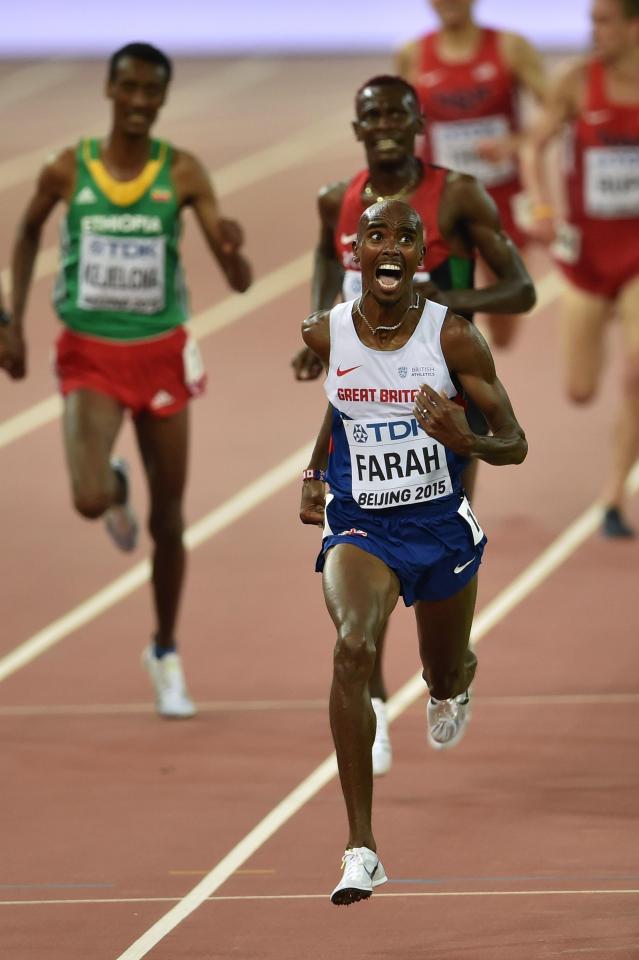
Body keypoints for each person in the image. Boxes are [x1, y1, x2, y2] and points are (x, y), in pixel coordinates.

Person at [293, 74, 535, 776]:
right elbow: (322, 257)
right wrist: (320, 323)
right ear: (357, 128)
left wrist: (439, 298)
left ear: (419, 122)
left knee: (430, 565)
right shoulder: (333, 201)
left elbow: (521, 288)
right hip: (362, 382)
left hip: (438, 400)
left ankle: (447, 675)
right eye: (374, 116)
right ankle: (367, 702)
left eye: (401, 114)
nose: (388, 127)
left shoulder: (456, 194)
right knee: (357, 584)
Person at [0, 42, 251, 716]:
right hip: (89, 353)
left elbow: (237, 280)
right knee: (87, 498)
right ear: (110, 89)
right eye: (130, 88)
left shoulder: (184, 172)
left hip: (161, 354)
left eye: (152, 92)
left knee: (168, 520)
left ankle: (164, 651)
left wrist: (233, 253)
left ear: (163, 98)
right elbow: (25, 235)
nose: (140, 102)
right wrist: (11, 318)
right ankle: (111, 485)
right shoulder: (67, 167)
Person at [301, 199, 527, 905]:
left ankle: (451, 682)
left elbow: (513, 442)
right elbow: (342, 406)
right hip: (361, 525)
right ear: (357, 254)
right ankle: (360, 848)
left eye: (405, 235)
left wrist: (466, 444)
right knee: (352, 647)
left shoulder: (453, 339)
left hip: (437, 529)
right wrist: (315, 472)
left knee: (442, 666)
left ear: (420, 253)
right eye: (375, 235)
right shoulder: (325, 332)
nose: (390, 246)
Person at [522, 0, 639, 538]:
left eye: (605, 21)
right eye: (591, 21)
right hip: (587, 257)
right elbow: (534, 147)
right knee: (580, 388)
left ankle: (613, 495)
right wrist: (542, 207)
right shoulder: (575, 82)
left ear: (634, 25)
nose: (594, 31)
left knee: (637, 375)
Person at [396, 0, 547, 348]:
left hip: (501, 200)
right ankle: (459, 374)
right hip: (443, 201)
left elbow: (554, 113)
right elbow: (401, 125)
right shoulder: (412, 54)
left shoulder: (510, 47)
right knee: (447, 306)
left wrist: (515, 142)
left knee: (503, 317)